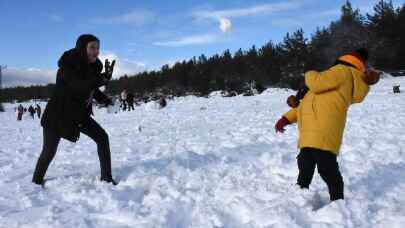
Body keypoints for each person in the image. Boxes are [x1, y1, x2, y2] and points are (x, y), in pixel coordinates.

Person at [275, 48, 380, 201]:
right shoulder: (333, 80)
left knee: (326, 168)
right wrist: (286, 119)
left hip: (324, 130)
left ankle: (338, 201)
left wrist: (309, 72)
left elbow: (316, 82)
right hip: (310, 133)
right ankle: (300, 195)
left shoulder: (342, 71)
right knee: (305, 164)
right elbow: (306, 106)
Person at [32, 34, 117, 186]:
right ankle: (36, 182)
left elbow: (91, 88)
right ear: (82, 48)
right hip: (57, 115)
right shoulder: (68, 65)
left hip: (79, 115)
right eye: (92, 47)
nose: (96, 51)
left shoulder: (93, 67)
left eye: (98, 48)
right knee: (49, 152)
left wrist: (105, 99)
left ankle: (107, 178)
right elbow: (78, 85)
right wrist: (102, 79)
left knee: (102, 138)